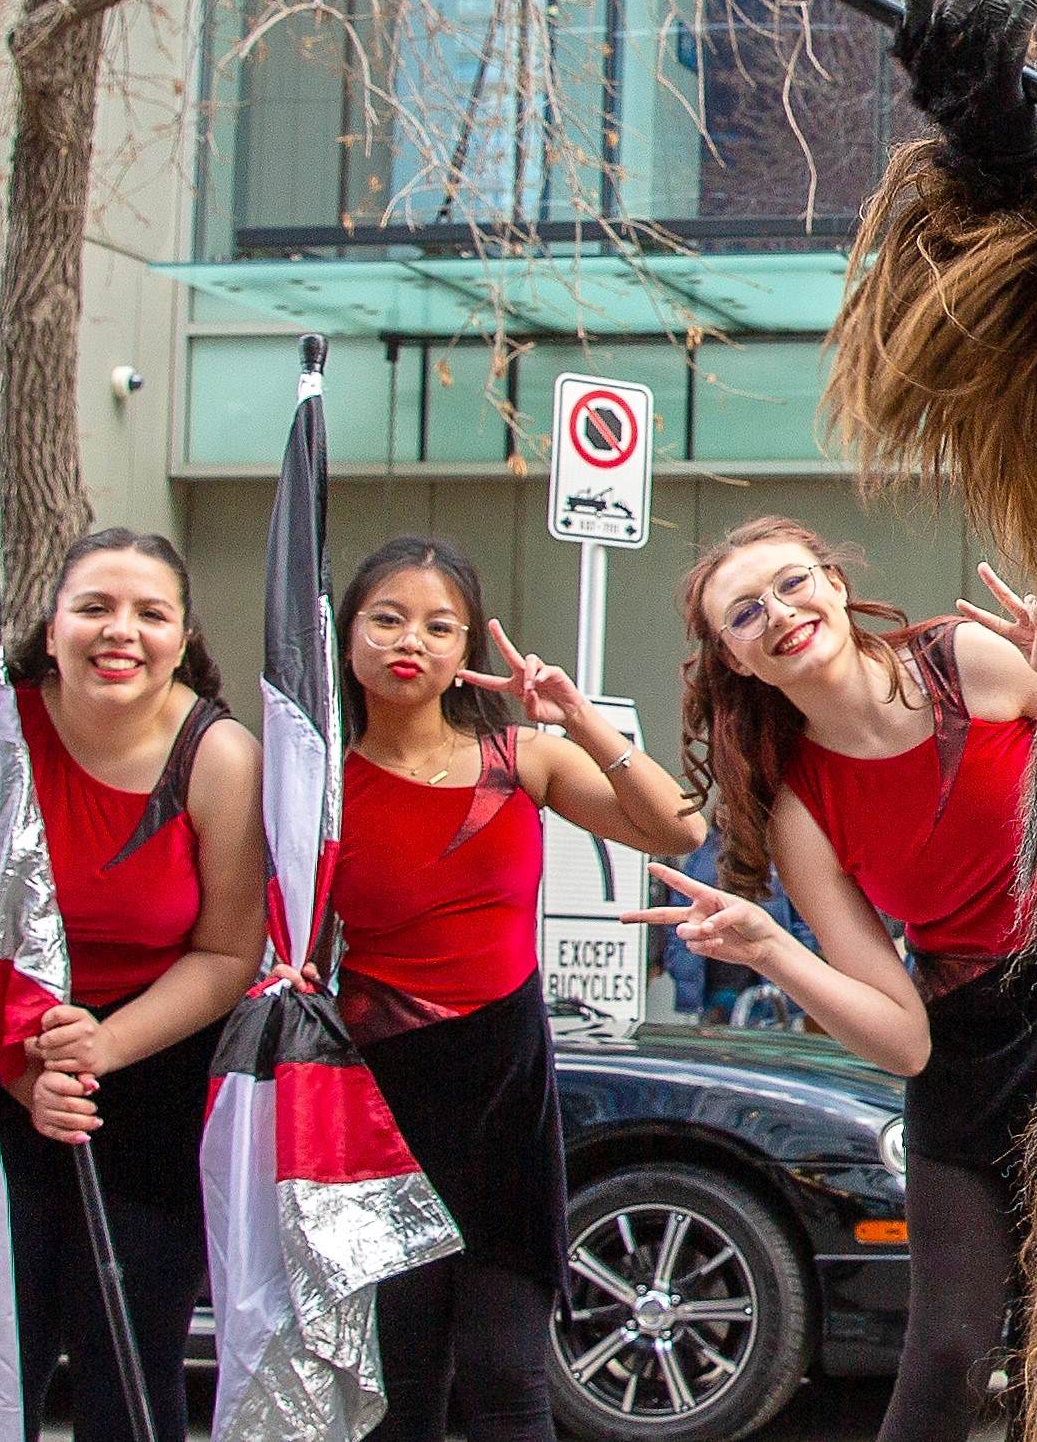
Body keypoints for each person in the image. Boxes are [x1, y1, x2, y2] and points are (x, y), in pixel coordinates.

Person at [637, 523, 1037, 1442]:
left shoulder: (968, 662)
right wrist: (770, 950)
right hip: (965, 1055)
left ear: (834, 582)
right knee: (949, 1351)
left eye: (793, 583)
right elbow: (904, 1038)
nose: (779, 614)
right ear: (735, 660)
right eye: (745, 614)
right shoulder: (800, 807)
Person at [330, 534, 703, 1442]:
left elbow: (676, 830)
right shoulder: (315, 779)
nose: (408, 639)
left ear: (464, 653)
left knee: (506, 1382)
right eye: (385, 617)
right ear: (348, 635)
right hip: (377, 1105)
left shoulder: (521, 757)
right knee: (399, 1389)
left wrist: (579, 717)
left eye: (437, 623)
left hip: (505, 1097)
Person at [0, 528, 263, 1442]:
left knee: (129, 1381)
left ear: (184, 637)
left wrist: (102, 1046)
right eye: (95, 606)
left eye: (151, 613)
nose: (121, 631)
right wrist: (24, 1073)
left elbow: (228, 952)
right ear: (52, 622)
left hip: (151, 1085)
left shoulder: (219, 755)